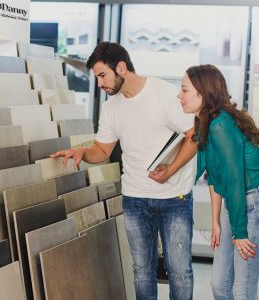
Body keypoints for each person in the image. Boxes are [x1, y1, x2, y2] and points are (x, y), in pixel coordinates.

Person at [52, 42, 197, 300]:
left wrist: (172, 169)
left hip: (175, 198)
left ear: (121, 67)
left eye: (102, 75)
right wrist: (82, 152)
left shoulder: (163, 93)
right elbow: (102, 150)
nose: (99, 84)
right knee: (142, 271)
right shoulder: (111, 108)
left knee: (180, 272)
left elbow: (194, 135)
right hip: (134, 198)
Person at [178, 64, 259, 300]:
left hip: (251, 201)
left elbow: (234, 179)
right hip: (235, 202)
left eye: (184, 90)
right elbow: (215, 175)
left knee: (242, 289)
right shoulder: (204, 122)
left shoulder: (221, 125)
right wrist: (215, 221)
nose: (179, 96)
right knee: (219, 285)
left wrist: (240, 231)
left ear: (202, 92)